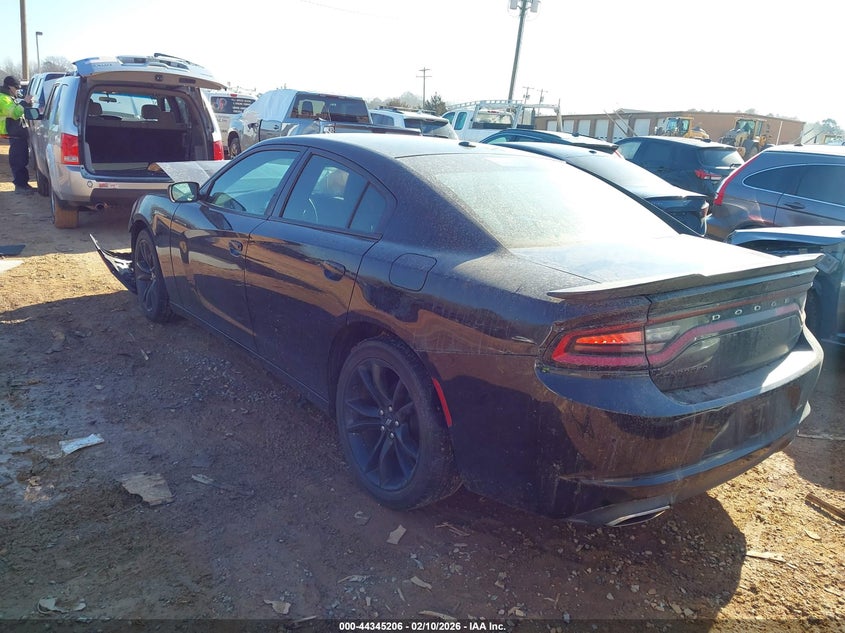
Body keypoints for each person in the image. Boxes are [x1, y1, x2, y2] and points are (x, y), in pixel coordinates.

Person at [0, 75, 34, 193]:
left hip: (18, 133)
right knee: (18, 160)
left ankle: (23, 184)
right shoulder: (3, 99)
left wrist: (27, 104)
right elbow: (14, 113)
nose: (17, 90)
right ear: (9, 87)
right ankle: (20, 186)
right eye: (16, 87)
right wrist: (24, 103)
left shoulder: (10, 97)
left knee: (22, 159)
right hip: (13, 133)